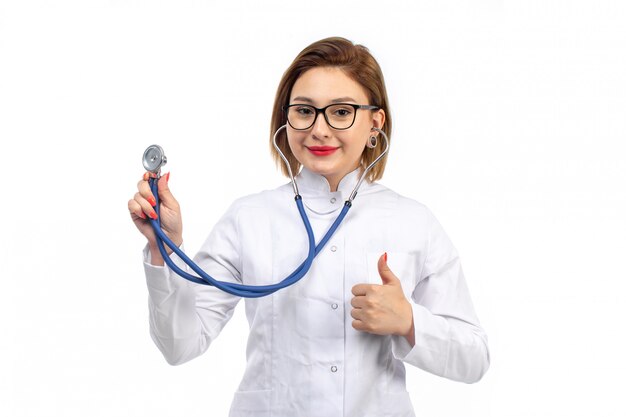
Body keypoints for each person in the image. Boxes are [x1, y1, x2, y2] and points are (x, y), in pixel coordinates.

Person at [128, 36, 490, 417]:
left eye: (341, 111)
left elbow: (475, 358)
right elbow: (180, 344)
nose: (319, 129)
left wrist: (409, 321)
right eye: (304, 111)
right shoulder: (249, 218)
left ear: (374, 123)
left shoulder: (413, 221)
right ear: (286, 119)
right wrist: (162, 247)